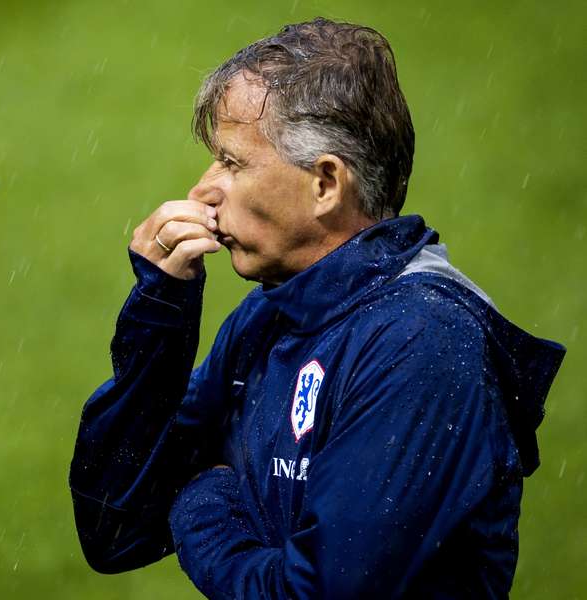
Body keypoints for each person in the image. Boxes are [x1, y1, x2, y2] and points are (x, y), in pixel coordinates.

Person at [69, 17, 565, 599]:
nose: (203, 189)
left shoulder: (423, 346)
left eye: (232, 162)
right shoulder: (269, 317)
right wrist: (160, 313)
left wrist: (204, 499)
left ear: (326, 183)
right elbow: (115, 529)